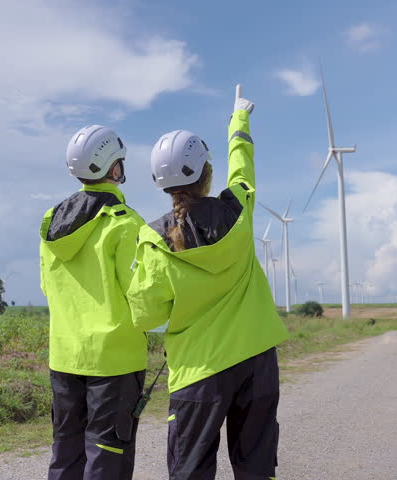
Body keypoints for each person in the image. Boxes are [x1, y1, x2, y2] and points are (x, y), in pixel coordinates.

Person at [127, 86, 289, 479]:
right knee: (257, 467)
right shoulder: (240, 209)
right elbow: (242, 165)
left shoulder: (153, 240)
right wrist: (239, 120)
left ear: (160, 184)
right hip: (256, 361)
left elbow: (145, 315)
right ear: (207, 172)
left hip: (198, 373)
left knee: (190, 470)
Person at [39, 125, 147, 480]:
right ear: (113, 169)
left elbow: (46, 285)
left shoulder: (53, 223)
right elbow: (141, 293)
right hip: (114, 360)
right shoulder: (126, 224)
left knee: (66, 450)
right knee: (106, 455)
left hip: (64, 355)